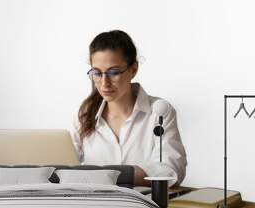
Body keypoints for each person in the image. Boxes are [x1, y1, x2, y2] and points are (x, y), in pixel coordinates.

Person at [71, 30, 187, 187]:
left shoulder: (159, 111)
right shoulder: (84, 115)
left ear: (133, 69)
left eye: (114, 72)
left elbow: (170, 170)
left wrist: (111, 176)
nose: (104, 83)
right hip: (93, 206)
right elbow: (67, 169)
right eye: (97, 73)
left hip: (140, 207)